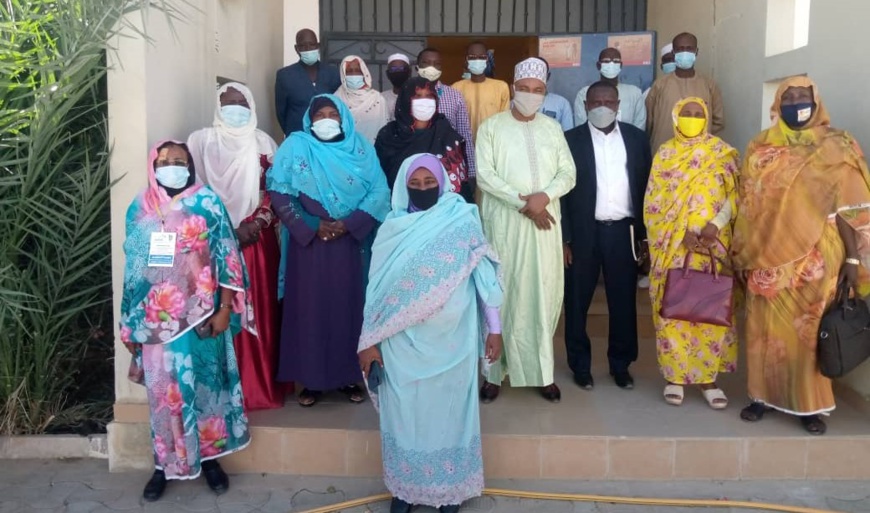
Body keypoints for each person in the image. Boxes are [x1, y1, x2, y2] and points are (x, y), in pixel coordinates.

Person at [357, 153, 504, 513]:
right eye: (415, 184)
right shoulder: (391, 229)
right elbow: (375, 292)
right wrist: (369, 341)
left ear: (443, 183)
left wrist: (495, 330)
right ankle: (406, 488)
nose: (423, 189)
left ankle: (449, 489)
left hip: (454, 338)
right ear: (403, 187)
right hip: (401, 343)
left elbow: (484, 276)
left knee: (451, 413)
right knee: (405, 412)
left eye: (429, 183)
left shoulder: (461, 219)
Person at [732, 77, 870, 435]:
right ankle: (760, 398)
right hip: (765, 256)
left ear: (816, 100)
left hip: (817, 258)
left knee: (807, 334)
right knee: (763, 332)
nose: (796, 102)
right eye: (788, 97)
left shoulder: (838, 145)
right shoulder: (760, 146)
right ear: (777, 104)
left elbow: (851, 209)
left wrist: (853, 261)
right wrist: (746, 252)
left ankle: (809, 406)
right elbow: (749, 204)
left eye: (802, 96)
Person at [120, 141, 254, 501]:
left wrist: (226, 307)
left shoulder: (207, 202)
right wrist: (128, 321)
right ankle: (164, 465)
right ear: (154, 166)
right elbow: (133, 268)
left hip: (203, 318)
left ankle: (211, 460)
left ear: (191, 166)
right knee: (165, 395)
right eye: (165, 162)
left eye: (180, 161)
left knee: (208, 389)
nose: (173, 167)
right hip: (155, 320)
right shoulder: (140, 207)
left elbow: (227, 253)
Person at [267, 94, 391, 407]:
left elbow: (379, 191)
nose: (325, 118)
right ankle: (311, 381)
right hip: (308, 246)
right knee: (309, 310)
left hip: (351, 245)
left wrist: (350, 223)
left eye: (331, 113)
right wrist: (311, 224)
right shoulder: (296, 147)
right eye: (318, 113)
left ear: (344, 118)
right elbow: (280, 193)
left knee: (350, 308)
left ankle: (351, 374)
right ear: (309, 120)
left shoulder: (361, 148)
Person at [476, 58, 576, 403]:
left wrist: (543, 197)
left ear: (545, 93)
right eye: (525, 89)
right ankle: (493, 373)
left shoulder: (552, 128)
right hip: (505, 226)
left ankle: (541, 373)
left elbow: (568, 173)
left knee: (542, 296)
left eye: (538, 91)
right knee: (503, 292)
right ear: (514, 89)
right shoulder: (490, 127)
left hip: (545, 227)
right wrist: (525, 204)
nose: (531, 96)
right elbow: (486, 176)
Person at [187, 82, 284, 411]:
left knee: (259, 310)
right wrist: (220, 229)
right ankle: (220, 393)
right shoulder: (200, 142)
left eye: (242, 102)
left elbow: (277, 191)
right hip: (211, 244)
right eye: (228, 103)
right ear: (217, 106)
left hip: (256, 239)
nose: (236, 108)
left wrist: (255, 224)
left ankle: (258, 388)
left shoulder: (263, 142)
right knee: (215, 311)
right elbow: (191, 189)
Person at [643, 97, 739, 408]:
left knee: (710, 309)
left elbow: (736, 195)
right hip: (673, 244)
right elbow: (652, 202)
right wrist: (680, 231)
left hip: (713, 243)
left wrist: (715, 224)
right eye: (687, 113)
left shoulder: (722, 153)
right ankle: (674, 376)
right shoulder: (666, 154)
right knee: (673, 307)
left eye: (699, 114)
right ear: (675, 116)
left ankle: (708, 379)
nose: (693, 118)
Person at [562, 81, 652, 391]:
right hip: (584, 232)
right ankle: (580, 366)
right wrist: (565, 238)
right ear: (585, 105)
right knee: (577, 301)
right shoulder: (568, 140)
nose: (602, 106)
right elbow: (560, 193)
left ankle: (621, 365)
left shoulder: (637, 139)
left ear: (618, 105)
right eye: (596, 101)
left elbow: (645, 189)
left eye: (608, 101)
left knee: (623, 301)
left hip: (623, 232)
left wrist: (645, 237)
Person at [375, 77, 472, 202]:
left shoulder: (447, 133)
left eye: (429, 96)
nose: (424, 101)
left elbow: (461, 185)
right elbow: (378, 182)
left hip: (445, 214)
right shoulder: (388, 136)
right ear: (405, 100)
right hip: (400, 212)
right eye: (418, 96)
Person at [646, 32, 725, 152]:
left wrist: (695, 132)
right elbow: (648, 121)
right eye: (680, 49)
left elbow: (718, 121)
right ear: (673, 52)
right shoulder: (659, 85)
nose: (684, 52)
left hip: (698, 155)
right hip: (664, 153)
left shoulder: (709, 85)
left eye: (689, 49)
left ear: (696, 52)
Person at [416, 47, 477, 182]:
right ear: (417, 66)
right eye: (426, 63)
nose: (432, 68)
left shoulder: (454, 95)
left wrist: (471, 172)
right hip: (416, 162)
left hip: (449, 165)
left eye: (436, 64)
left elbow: (464, 134)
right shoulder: (407, 95)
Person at [275, 29, 341, 136]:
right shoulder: (285, 75)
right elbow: (281, 113)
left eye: (311, 44)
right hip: (298, 135)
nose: (308, 49)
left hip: (327, 137)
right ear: (297, 49)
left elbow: (339, 106)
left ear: (318, 46)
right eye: (303, 46)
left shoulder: (333, 73)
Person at [574, 48, 646, 130]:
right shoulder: (584, 93)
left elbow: (639, 127)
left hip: (627, 142)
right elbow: (582, 127)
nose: (611, 64)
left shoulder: (635, 93)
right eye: (606, 61)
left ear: (621, 65)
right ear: (598, 65)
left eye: (616, 61)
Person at [452, 42, 511, 141]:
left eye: (481, 57)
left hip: (491, 142)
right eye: (472, 57)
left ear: (487, 59)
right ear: (467, 60)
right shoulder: (456, 87)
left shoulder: (501, 87)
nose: (477, 60)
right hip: (464, 144)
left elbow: (504, 120)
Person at [335, 55, 389, 144]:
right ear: (343, 74)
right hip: (345, 151)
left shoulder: (377, 98)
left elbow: (384, 130)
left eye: (357, 71)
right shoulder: (336, 99)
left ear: (364, 73)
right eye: (349, 71)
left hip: (373, 151)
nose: (353, 74)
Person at [535, 57, 574, 131]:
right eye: (531, 73)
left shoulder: (562, 103)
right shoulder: (517, 103)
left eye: (540, 73)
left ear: (548, 76)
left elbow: (568, 135)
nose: (535, 77)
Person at [382, 53, 411, 121]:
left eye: (401, 68)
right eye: (394, 69)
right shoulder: (381, 98)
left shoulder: (417, 96)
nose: (398, 72)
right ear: (388, 74)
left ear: (409, 72)